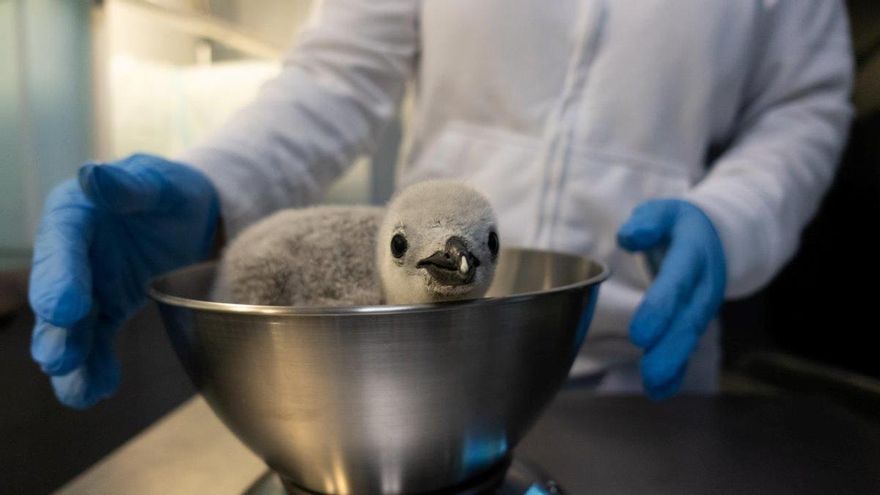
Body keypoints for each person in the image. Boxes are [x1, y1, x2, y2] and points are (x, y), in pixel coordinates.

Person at [29, 0, 853, 409]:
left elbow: (804, 104)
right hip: (416, 372)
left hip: (646, 374)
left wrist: (735, 214)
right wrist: (215, 184)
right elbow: (338, 76)